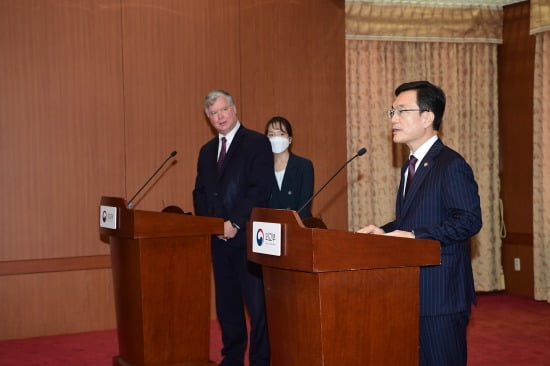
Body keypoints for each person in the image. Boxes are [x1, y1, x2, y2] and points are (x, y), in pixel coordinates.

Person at [358, 80, 482, 366]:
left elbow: (469, 220)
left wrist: (413, 235)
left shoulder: (451, 165)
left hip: (441, 294)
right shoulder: (410, 165)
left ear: (428, 117)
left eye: (402, 111)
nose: (393, 119)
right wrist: (384, 231)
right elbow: (411, 221)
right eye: (391, 112)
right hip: (411, 289)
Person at [193, 90, 273, 366]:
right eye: (213, 113)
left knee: (257, 306)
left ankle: (261, 360)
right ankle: (232, 358)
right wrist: (213, 225)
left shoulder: (256, 143)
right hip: (218, 240)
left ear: (235, 109)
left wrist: (236, 222)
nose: (219, 117)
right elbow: (199, 193)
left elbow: (260, 189)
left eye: (223, 110)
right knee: (227, 307)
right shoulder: (206, 152)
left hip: (249, 238)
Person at [264, 116, 314, 219]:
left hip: (297, 228)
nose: (276, 138)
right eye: (271, 135)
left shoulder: (304, 166)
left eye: (281, 134)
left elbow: (304, 207)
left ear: (290, 139)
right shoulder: (261, 168)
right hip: (270, 229)